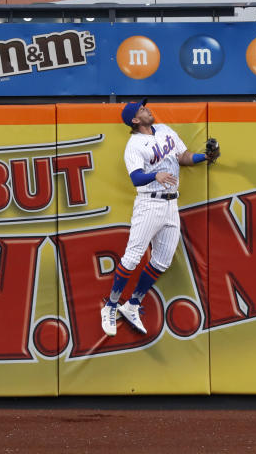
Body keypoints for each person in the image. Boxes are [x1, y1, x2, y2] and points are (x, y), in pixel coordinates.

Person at [102, 98, 219, 336]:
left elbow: (183, 156)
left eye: (145, 107)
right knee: (133, 257)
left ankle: (132, 304)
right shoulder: (134, 145)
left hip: (171, 204)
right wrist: (155, 176)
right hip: (149, 203)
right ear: (135, 120)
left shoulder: (165, 130)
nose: (147, 110)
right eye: (142, 110)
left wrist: (204, 157)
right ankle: (110, 305)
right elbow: (136, 178)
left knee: (162, 261)